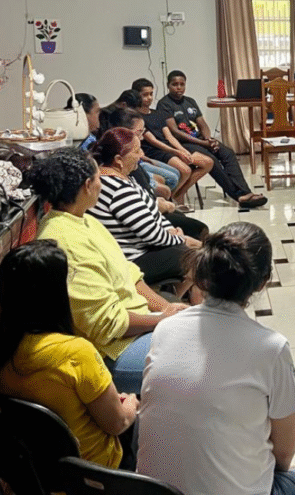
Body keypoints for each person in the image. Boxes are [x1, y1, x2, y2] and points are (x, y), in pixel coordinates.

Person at [137, 222, 295, 495]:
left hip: (155, 491)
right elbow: (283, 453)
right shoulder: (271, 348)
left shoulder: (166, 328)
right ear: (263, 282)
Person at [29, 147, 188, 394]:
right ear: (87, 185)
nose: (103, 184)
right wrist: (161, 320)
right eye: (99, 178)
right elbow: (107, 324)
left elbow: (129, 273)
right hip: (114, 351)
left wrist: (163, 308)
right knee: (202, 357)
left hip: (134, 323)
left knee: (204, 333)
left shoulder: (85, 219)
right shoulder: (66, 243)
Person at [0, 240, 139, 470]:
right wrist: (131, 404)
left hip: (35, 472)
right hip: (94, 474)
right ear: (54, 294)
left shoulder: (7, 348)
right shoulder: (76, 353)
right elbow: (117, 423)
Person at [88, 127, 201, 297]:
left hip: (143, 246)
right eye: (137, 151)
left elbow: (151, 210)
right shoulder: (118, 190)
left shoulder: (123, 177)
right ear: (119, 159)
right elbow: (152, 235)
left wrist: (170, 229)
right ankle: (176, 299)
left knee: (196, 245)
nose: (141, 155)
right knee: (198, 256)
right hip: (132, 259)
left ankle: (181, 295)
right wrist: (179, 238)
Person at [157, 70, 267, 209]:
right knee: (212, 160)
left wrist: (209, 140)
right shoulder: (164, 104)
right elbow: (175, 132)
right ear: (168, 85)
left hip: (201, 140)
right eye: (175, 84)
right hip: (183, 144)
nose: (179, 87)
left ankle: (245, 191)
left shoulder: (190, 101)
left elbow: (202, 123)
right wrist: (204, 143)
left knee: (228, 153)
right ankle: (238, 195)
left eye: (182, 84)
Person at [99, 107, 209, 240]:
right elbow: (147, 225)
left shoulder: (128, 170)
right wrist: (178, 238)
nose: (141, 153)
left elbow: (144, 198)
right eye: (139, 133)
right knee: (199, 229)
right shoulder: (119, 182)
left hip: (153, 213)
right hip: (148, 228)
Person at [129, 78, 214, 212]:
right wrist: (177, 152)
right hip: (155, 151)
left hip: (170, 148)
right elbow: (154, 141)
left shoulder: (158, 114)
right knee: (185, 170)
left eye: (151, 94)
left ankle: (177, 194)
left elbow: (169, 136)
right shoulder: (135, 117)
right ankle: (173, 200)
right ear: (136, 95)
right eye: (145, 95)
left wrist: (182, 150)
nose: (149, 98)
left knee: (207, 162)